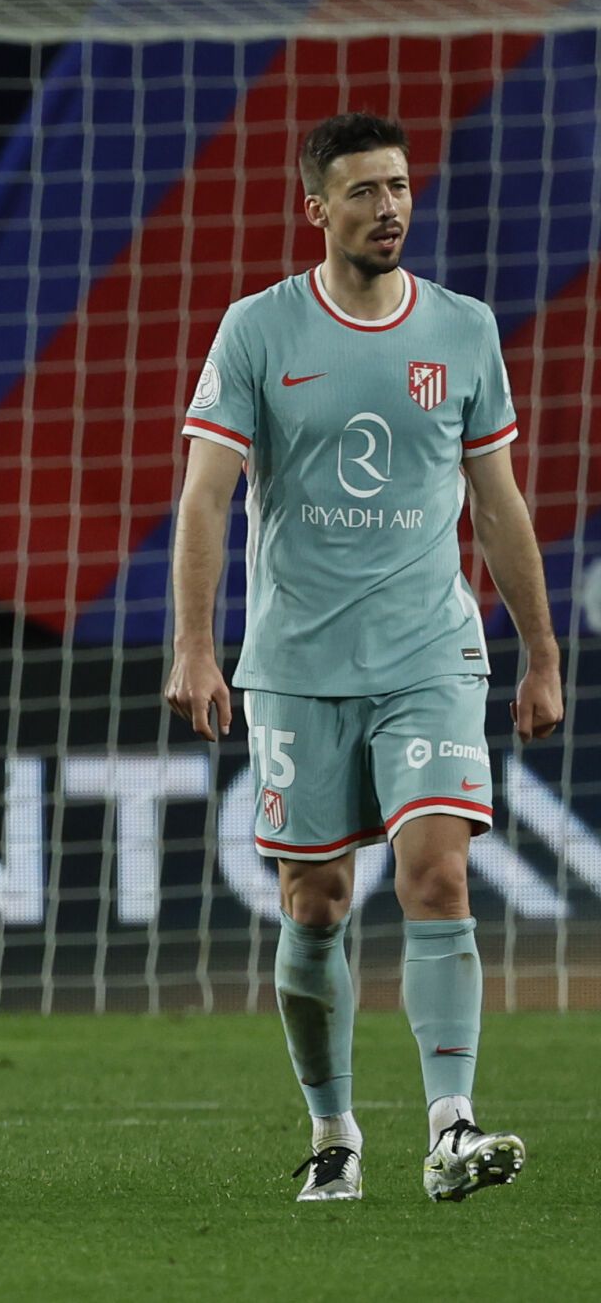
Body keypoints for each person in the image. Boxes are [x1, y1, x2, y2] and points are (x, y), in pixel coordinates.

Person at [165, 112, 561, 1202]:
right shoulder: (255, 332)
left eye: (396, 187)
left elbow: (495, 503)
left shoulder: (463, 328)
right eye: (361, 192)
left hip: (430, 653)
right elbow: (204, 495)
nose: (387, 206)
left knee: (436, 871)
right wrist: (195, 645)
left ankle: (449, 1125)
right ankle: (333, 1130)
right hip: (293, 663)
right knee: (316, 903)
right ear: (316, 209)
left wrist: (537, 652)